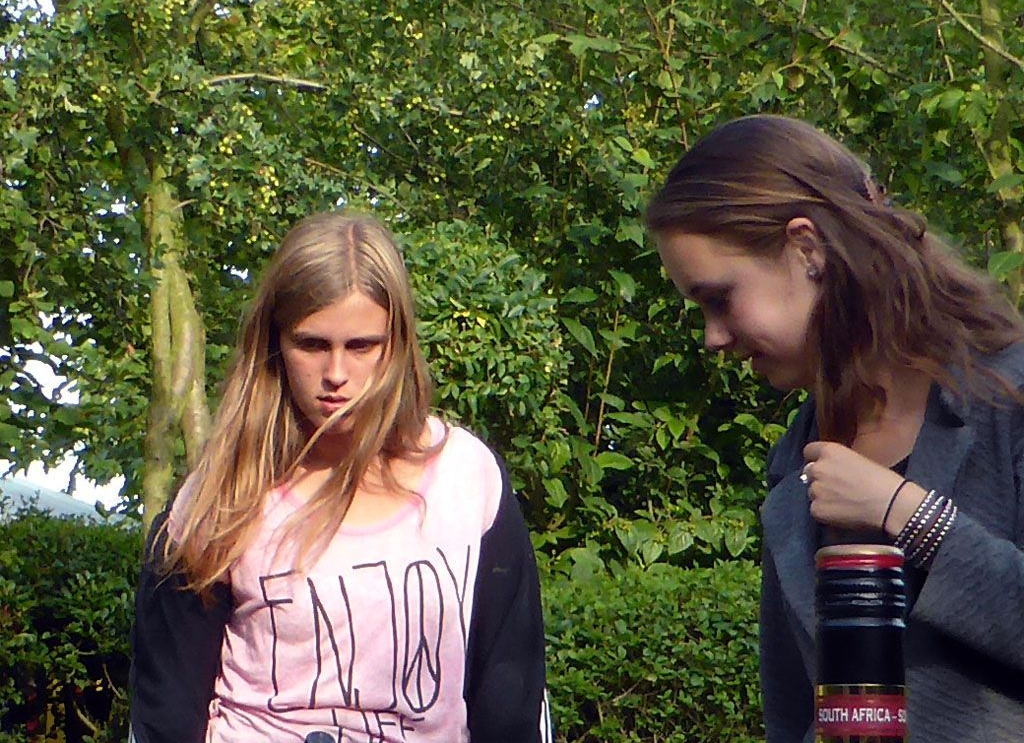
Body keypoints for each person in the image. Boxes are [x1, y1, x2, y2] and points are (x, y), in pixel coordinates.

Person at [645, 114, 1024, 742]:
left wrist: (909, 516)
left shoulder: (1007, 397)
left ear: (807, 249)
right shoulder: (796, 463)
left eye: (719, 299)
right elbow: (793, 714)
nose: (712, 337)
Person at [130, 212, 552, 743]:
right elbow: (164, 713)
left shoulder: (468, 480)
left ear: (397, 344)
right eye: (311, 344)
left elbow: (512, 697)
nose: (335, 374)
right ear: (275, 343)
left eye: (361, 346)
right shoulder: (217, 498)